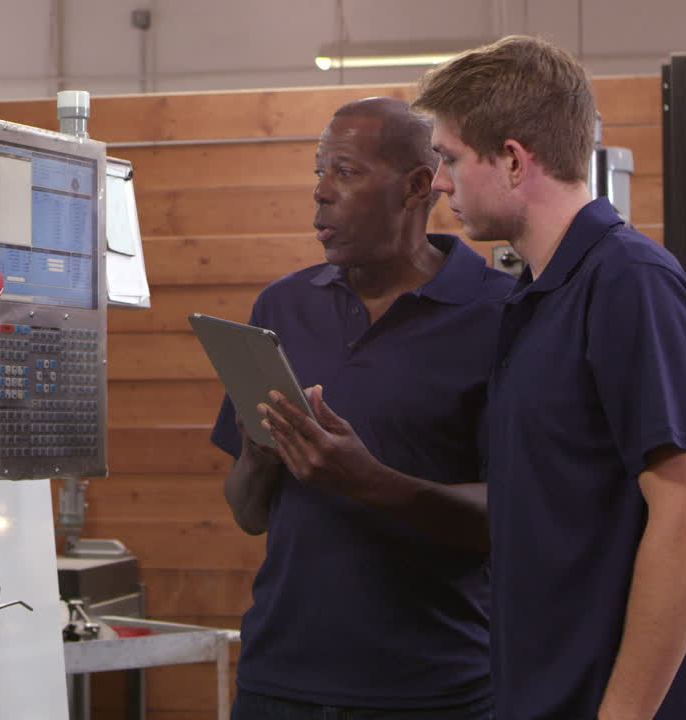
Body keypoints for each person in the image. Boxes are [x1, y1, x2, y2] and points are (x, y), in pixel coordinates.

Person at [407, 35, 686, 719]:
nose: (438, 181)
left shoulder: (629, 282)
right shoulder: (534, 297)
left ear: (515, 161)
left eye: (452, 158)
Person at [212, 97, 513, 719]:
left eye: (345, 172)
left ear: (416, 187)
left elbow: (514, 519)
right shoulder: (280, 309)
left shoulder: (504, 316)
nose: (320, 193)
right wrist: (260, 457)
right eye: (318, 171)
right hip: (276, 686)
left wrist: (369, 482)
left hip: (436, 694)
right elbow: (248, 514)